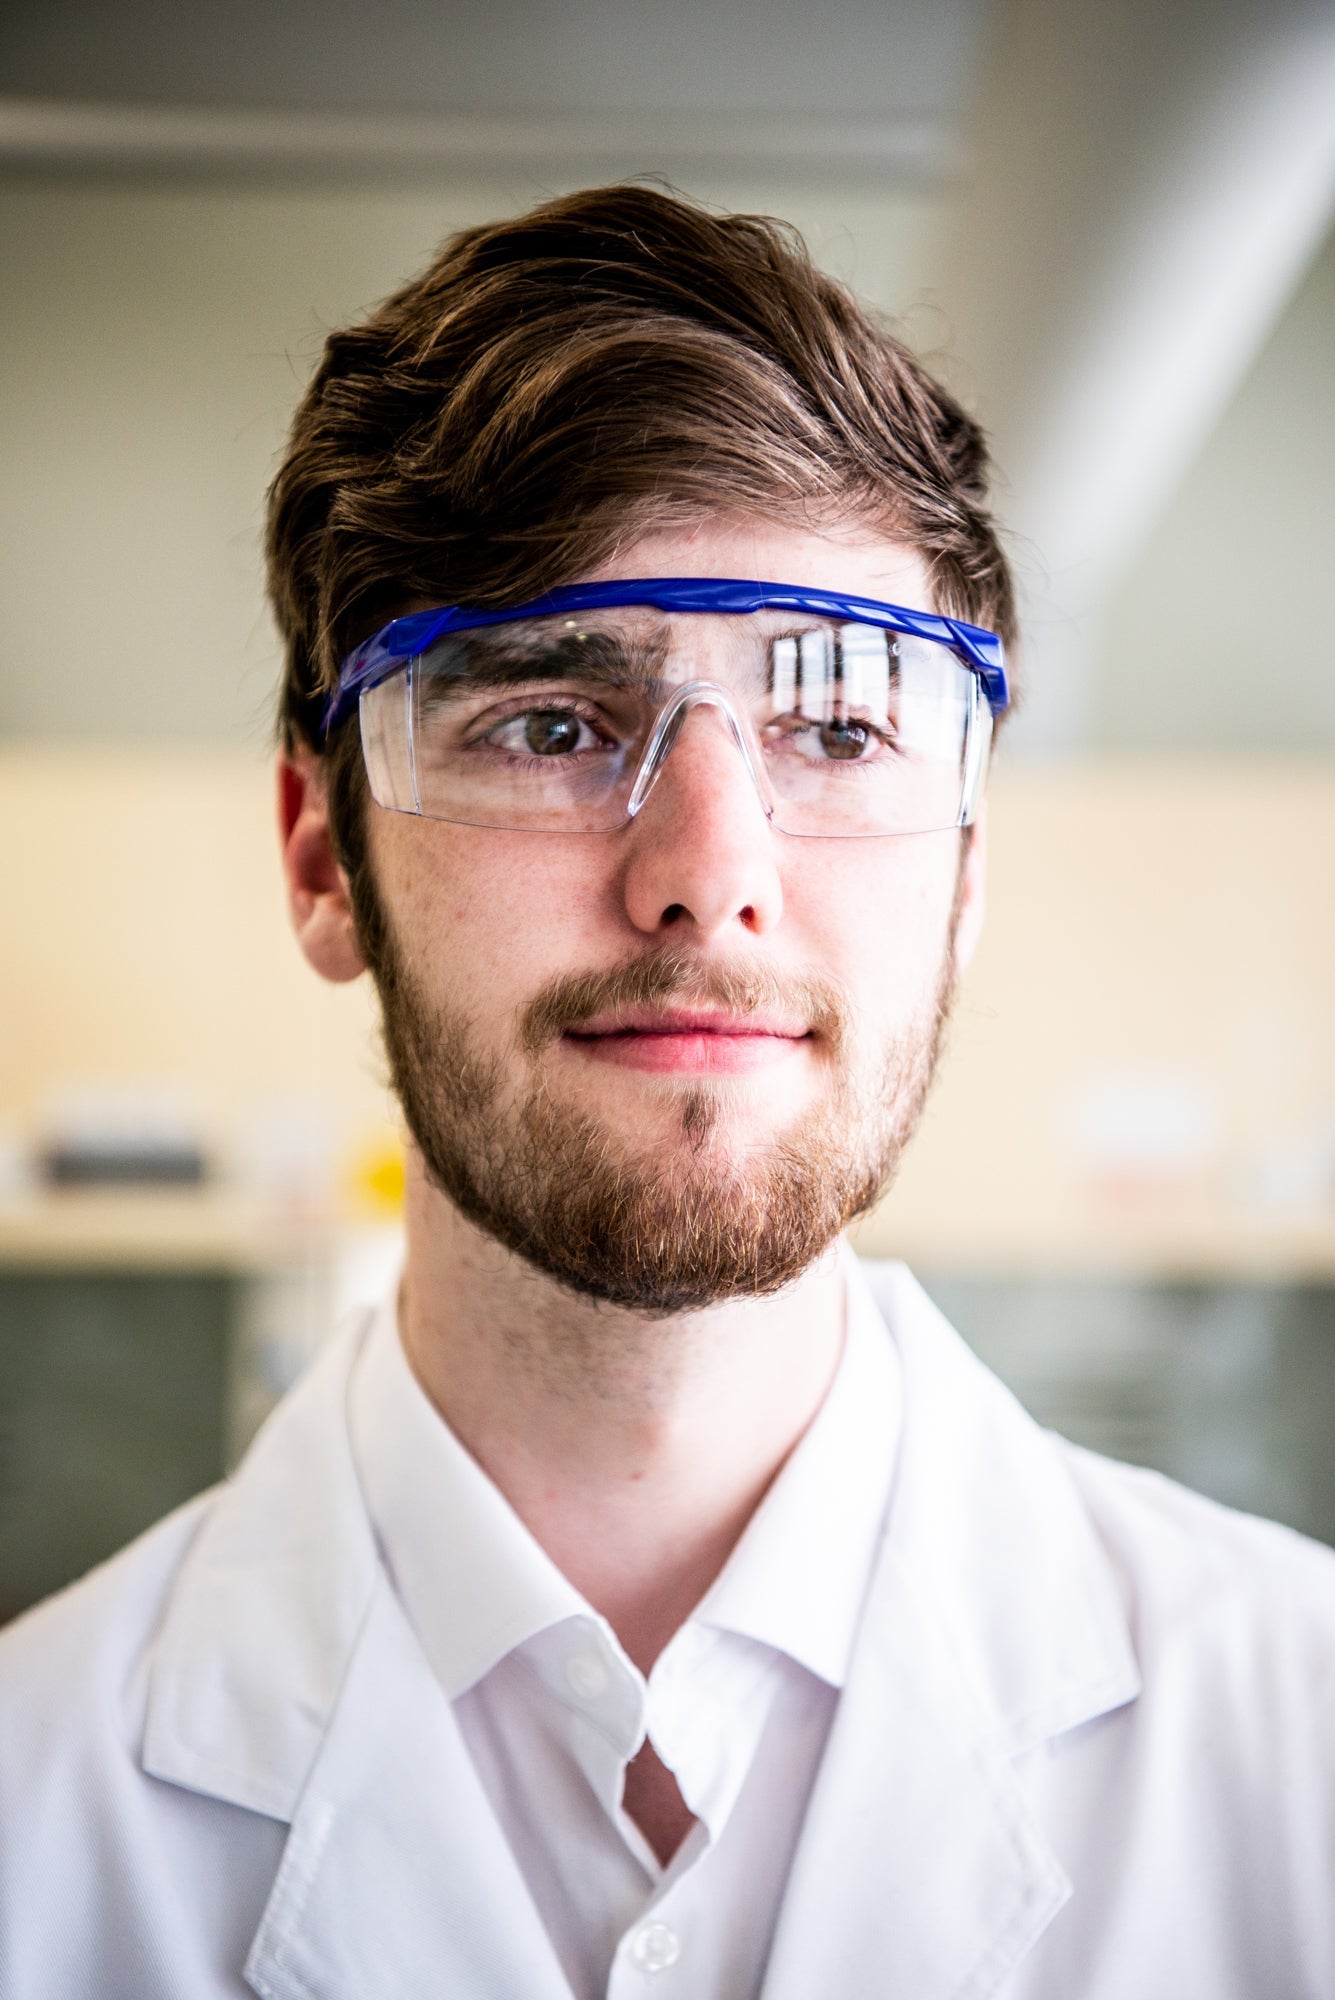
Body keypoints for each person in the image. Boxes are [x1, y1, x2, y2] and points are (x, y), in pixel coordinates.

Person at [1, 184, 1333, 2000]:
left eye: (844, 726)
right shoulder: (32, 1814)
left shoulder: (1300, 1755)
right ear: (324, 858)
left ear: (965, 869)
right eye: (552, 723)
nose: (711, 874)